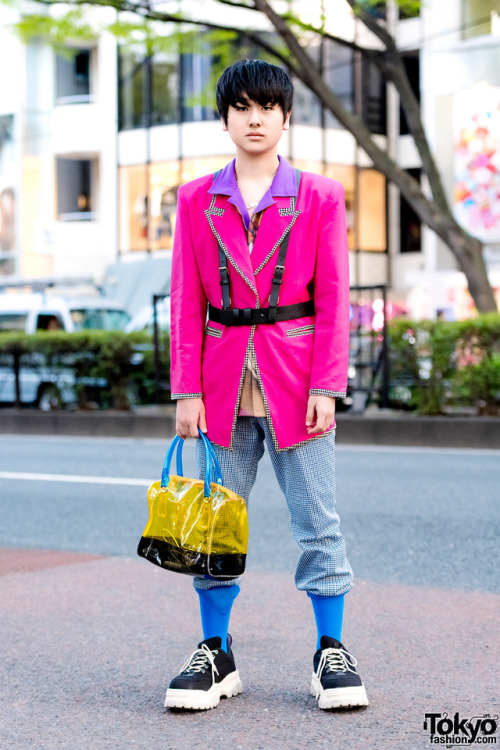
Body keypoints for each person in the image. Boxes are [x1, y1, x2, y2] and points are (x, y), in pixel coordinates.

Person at [168, 59, 368, 712]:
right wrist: (186, 390)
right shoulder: (198, 198)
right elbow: (186, 298)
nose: (255, 118)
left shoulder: (319, 196)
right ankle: (215, 653)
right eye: (242, 107)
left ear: (286, 117)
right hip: (221, 385)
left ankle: (330, 651)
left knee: (319, 521)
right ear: (224, 118)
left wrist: (327, 384)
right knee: (217, 524)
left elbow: (335, 298)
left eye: (268, 107)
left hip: (297, 379)